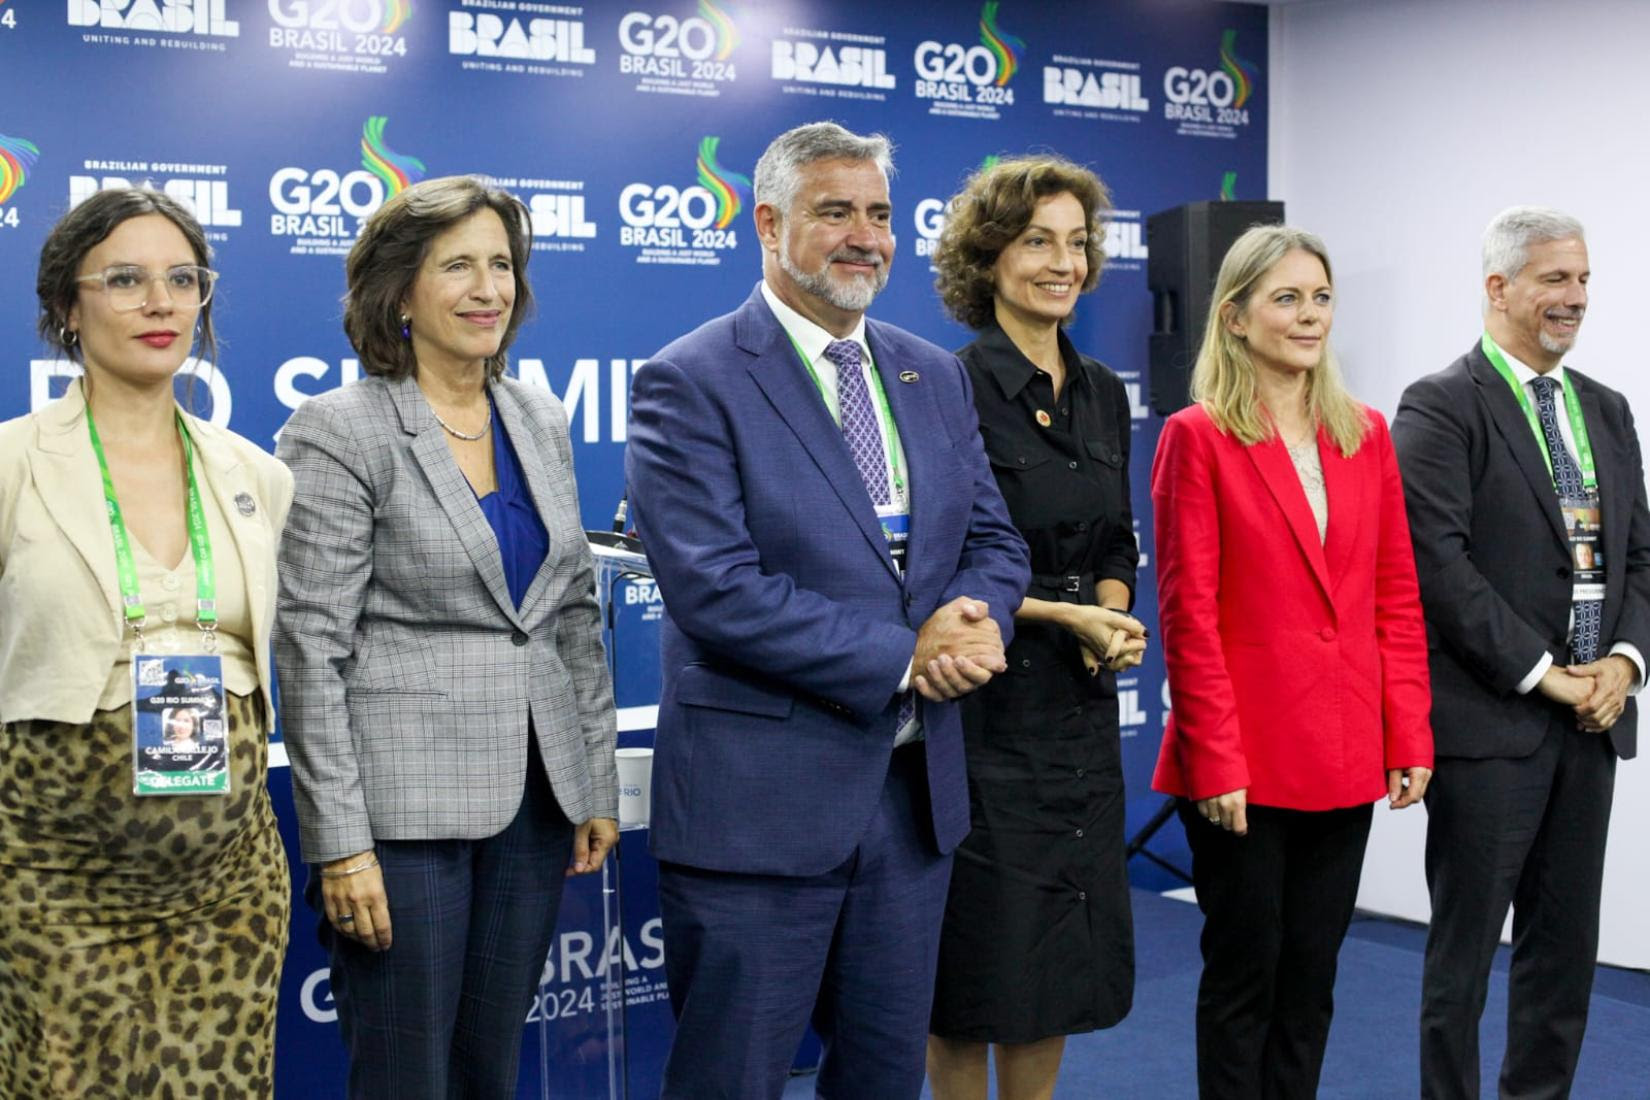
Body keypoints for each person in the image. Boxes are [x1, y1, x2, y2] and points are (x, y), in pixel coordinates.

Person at [625, 121, 1030, 1100]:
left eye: (881, 214)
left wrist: (976, 619)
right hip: (757, 810)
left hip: (910, 807)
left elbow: (995, 541)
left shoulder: (930, 374)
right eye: (835, 211)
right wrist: (907, 655)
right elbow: (717, 589)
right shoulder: (690, 379)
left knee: (885, 1077)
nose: (865, 235)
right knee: (733, 1076)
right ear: (767, 223)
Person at [273, 175, 618, 1099]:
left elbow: (570, 614)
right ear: (400, 293)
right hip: (400, 816)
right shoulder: (339, 429)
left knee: (487, 1066)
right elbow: (311, 649)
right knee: (406, 1074)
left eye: (501, 265)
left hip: (537, 799)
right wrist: (341, 844)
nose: (487, 288)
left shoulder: (539, 418)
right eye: (457, 265)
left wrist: (593, 781)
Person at [0, 187, 292, 1096]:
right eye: (125, 279)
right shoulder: (10, 465)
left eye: (182, 279)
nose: (161, 303)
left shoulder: (257, 475)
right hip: (52, 886)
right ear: (66, 307)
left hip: (229, 890)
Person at [1150, 224, 1433, 1098]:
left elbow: (1395, 596)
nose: (1309, 316)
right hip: (1242, 764)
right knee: (1245, 980)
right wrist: (1214, 756)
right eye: (1286, 298)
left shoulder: (1367, 433)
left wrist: (1410, 733)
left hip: (1346, 754)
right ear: (1235, 318)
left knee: (1311, 984)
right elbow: (1187, 616)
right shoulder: (1195, 437)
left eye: (1319, 298)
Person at [1392, 206, 1650, 1100]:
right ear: (1499, 288)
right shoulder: (1440, 404)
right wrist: (1546, 676)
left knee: (1564, 952)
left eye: (1582, 280)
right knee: (1462, 964)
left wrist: (1622, 663)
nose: (1574, 298)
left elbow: (1639, 558)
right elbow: (1439, 564)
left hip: (1594, 726)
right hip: (1493, 726)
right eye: (1554, 279)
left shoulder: (1608, 412)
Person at [924, 156, 1145, 1100]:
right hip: (984, 715)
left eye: (1077, 243)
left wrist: (1115, 612)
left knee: (1058, 966)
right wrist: (1068, 614)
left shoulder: (1102, 389)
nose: (1062, 262)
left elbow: (1118, 540)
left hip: (1080, 721)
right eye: (1037, 242)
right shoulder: (943, 385)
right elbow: (938, 572)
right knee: (974, 975)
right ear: (990, 257)